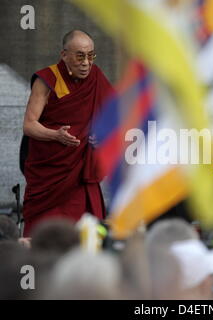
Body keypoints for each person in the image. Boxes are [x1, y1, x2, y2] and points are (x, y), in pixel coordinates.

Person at [22, 30, 114, 236]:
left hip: (80, 174)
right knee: (46, 234)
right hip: (51, 174)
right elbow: (29, 125)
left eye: (91, 56)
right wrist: (56, 135)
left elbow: (116, 116)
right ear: (64, 55)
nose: (86, 63)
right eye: (80, 56)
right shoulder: (47, 79)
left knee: (86, 234)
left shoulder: (96, 77)